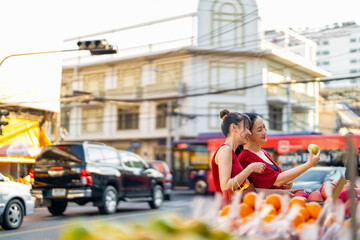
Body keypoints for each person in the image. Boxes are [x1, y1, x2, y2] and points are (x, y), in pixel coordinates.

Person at [238, 113, 321, 189]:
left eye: (264, 127)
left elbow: (276, 180)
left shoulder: (264, 153)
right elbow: (277, 180)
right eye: (260, 130)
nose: (265, 132)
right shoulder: (246, 157)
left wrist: (284, 185)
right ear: (248, 134)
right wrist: (308, 164)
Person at [211, 109, 266, 194]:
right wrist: (250, 168)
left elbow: (245, 189)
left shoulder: (232, 153)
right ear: (234, 127)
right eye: (247, 127)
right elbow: (226, 187)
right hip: (228, 206)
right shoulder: (225, 150)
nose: (249, 133)